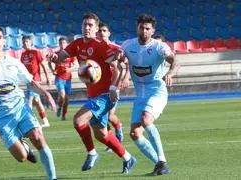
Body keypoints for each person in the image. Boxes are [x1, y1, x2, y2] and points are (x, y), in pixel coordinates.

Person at [48, 12, 136, 174]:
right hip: (93, 95)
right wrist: (54, 57)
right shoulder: (77, 44)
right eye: (84, 25)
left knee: (78, 119)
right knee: (101, 134)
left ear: (96, 28)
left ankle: (92, 153)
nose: (87, 28)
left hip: (105, 96)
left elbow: (116, 67)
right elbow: (61, 58)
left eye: (90, 25)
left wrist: (113, 88)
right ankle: (128, 158)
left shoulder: (101, 46)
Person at [0, 26, 57, 180]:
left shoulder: (14, 62)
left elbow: (30, 82)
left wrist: (46, 94)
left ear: (4, 40)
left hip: (20, 108)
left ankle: (52, 178)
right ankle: (24, 146)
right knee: (22, 157)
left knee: (38, 137)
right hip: (1, 117)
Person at [121, 14, 180, 175]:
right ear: (137, 28)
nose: (144, 31)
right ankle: (160, 165)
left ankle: (162, 160)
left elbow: (175, 61)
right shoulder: (127, 45)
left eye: (148, 28)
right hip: (140, 94)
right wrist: (122, 74)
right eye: (142, 27)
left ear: (153, 30)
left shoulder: (159, 46)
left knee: (146, 119)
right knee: (134, 133)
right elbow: (118, 59)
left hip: (156, 90)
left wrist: (170, 73)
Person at [96, 22, 129, 152]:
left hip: (113, 86)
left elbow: (126, 64)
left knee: (109, 116)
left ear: (109, 33)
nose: (101, 33)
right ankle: (111, 142)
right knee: (101, 117)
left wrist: (126, 77)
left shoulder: (116, 48)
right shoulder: (95, 48)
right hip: (99, 87)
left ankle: (118, 127)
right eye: (99, 31)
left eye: (104, 30)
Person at [20, 35, 51, 127]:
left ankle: (29, 122)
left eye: (26, 42)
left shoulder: (36, 52)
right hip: (28, 80)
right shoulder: (23, 55)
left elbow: (43, 65)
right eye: (23, 42)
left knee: (29, 100)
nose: (25, 44)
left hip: (35, 80)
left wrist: (47, 77)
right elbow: (22, 68)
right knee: (37, 101)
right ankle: (45, 121)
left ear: (30, 42)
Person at [48, 37, 77, 121]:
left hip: (68, 79)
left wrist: (70, 69)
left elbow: (75, 64)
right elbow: (49, 62)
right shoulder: (56, 54)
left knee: (66, 100)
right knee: (62, 96)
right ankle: (59, 107)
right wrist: (52, 70)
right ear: (59, 44)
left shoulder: (70, 54)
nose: (62, 44)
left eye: (64, 43)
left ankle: (63, 115)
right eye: (60, 43)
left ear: (66, 44)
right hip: (59, 78)